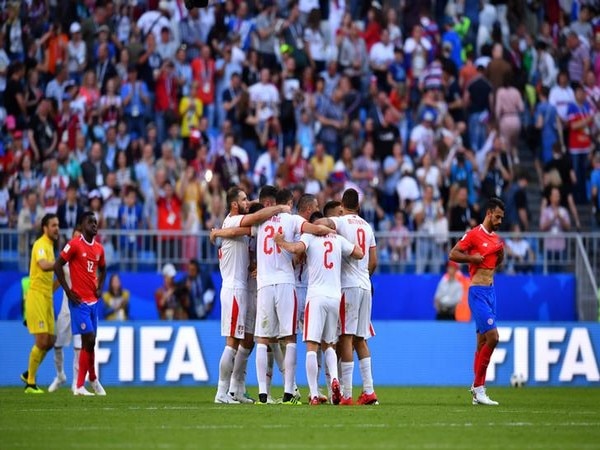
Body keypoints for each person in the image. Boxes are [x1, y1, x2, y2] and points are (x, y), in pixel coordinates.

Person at [274, 211, 364, 405]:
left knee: (312, 347)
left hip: (316, 297)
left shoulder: (309, 237)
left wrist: (281, 243)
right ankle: (334, 379)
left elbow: (297, 248)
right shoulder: (338, 239)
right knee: (329, 344)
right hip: (334, 297)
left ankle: (314, 394)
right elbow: (359, 253)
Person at [254, 188, 334, 405]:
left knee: (262, 339)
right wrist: (331, 229)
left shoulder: (258, 221)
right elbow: (314, 229)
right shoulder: (291, 220)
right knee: (289, 337)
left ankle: (263, 394)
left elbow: (244, 222)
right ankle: (289, 392)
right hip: (286, 283)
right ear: (287, 203)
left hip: (264, 284)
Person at [213, 186, 291, 404]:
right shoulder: (233, 221)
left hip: (242, 288)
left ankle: (236, 389)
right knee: (232, 342)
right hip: (235, 289)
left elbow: (250, 219)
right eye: (244, 199)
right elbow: (256, 216)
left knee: (245, 340)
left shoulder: (236, 223)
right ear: (234, 205)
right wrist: (279, 207)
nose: (248, 202)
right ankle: (222, 391)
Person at [323, 188, 379, 405]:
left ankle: (346, 393)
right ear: (358, 205)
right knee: (360, 339)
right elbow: (373, 260)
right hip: (365, 285)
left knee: (345, 337)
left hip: (347, 286)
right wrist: (365, 275)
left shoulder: (341, 222)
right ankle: (369, 391)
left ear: (342, 205)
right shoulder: (367, 226)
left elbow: (324, 226)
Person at [449, 197, 505, 406]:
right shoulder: (473, 235)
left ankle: (477, 392)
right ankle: (479, 387)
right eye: (497, 217)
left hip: (491, 292)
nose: (500, 221)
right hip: (477, 292)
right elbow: (453, 253)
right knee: (493, 337)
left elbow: (496, 262)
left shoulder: (497, 240)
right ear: (489, 213)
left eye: (502, 218)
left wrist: (501, 255)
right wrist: (471, 259)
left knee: (482, 342)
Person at [54, 211, 108, 396]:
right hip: (79, 302)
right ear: (82, 225)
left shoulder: (99, 249)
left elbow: (103, 268)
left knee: (90, 343)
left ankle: (92, 379)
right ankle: (79, 385)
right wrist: (68, 292)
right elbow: (57, 265)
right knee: (89, 339)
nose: (94, 224)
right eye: (90, 222)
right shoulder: (74, 244)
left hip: (93, 302)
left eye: (96, 222)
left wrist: (100, 286)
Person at [21, 213, 60, 394]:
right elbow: (44, 265)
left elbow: (51, 282)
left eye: (58, 225)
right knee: (42, 339)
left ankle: (30, 372)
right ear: (45, 228)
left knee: (51, 340)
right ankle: (30, 383)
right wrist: (61, 263)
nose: (56, 228)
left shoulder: (51, 247)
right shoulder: (41, 245)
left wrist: (64, 275)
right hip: (36, 296)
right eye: (53, 225)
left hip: (47, 297)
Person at [48, 228, 83, 394]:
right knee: (58, 345)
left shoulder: (86, 260)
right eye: (75, 237)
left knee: (78, 346)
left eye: (79, 237)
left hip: (79, 309)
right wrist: (45, 294)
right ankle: (60, 375)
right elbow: (57, 280)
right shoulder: (65, 260)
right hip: (64, 310)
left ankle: (76, 382)